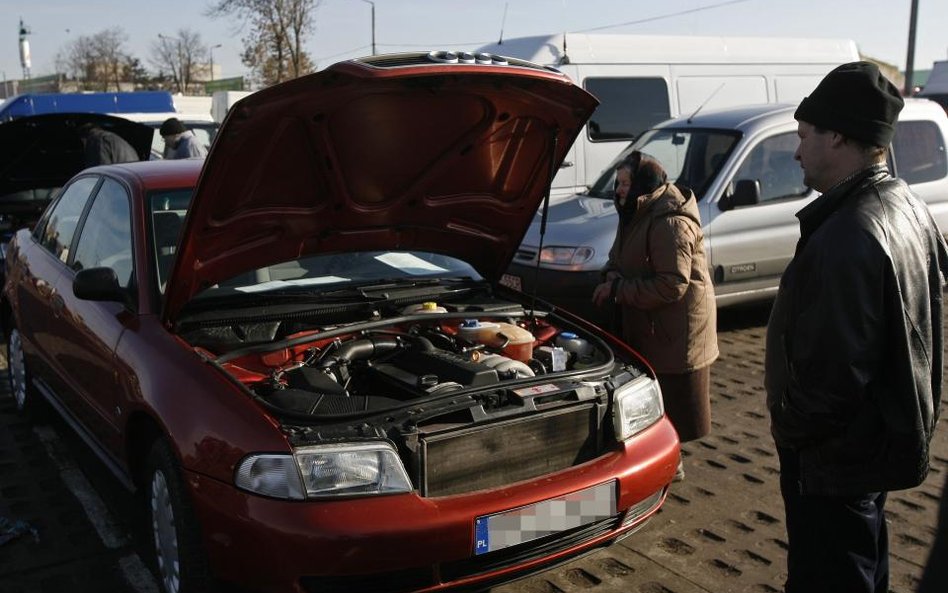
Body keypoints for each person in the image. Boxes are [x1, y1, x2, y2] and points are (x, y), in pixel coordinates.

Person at [764, 61, 948, 593]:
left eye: (803, 137)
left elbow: (834, 380)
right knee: (862, 568)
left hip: (832, 462)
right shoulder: (907, 205)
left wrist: (788, 426)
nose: (796, 152)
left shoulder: (848, 235)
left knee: (833, 577)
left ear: (838, 136)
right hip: (867, 453)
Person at [592, 151, 719, 479]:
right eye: (617, 183)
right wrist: (609, 276)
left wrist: (619, 289)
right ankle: (661, 461)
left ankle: (669, 465)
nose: (618, 190)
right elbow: (619, 257)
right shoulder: (637, 211)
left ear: (643, 185)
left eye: (624, 183)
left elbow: (672, 284)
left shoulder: (670, 221)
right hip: (653, 325)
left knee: (671, 405)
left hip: (676, 330)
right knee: (653, 397)